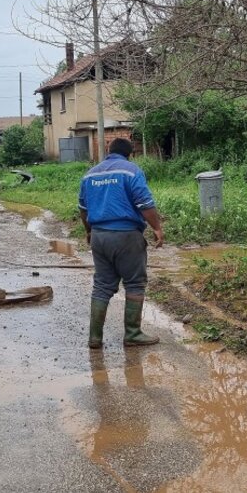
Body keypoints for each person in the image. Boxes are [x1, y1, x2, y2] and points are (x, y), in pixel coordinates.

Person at [79, 137, 165, 348]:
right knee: (135, 283)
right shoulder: (131, 171)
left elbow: (83, 207)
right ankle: (133, 334)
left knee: (101, 285)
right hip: (126, 236)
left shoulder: (90, 174)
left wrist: (89, 231)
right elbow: (145, 202)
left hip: (99, 236)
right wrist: (156, 228)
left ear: (108, 151)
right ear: (130, 153)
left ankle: (95, 338)